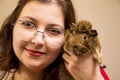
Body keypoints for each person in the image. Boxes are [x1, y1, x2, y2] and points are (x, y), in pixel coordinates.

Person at [0, 0, 109, 80]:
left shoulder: (92, 74)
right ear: (12, 27)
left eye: (54, 31)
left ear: (67, 37)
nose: (38, 41)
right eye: (28, 24)